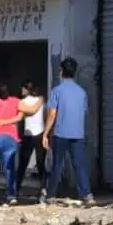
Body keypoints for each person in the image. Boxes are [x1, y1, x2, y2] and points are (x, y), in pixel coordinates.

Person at [44, 56, 93, 204]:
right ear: (75, 72)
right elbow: (84, 113)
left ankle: (51, 195)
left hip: (61, 133)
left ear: (61, 71)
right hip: (78, 134)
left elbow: (52, 113)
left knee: (57, 165)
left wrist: (46, 133)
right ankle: (86, 195)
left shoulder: (57, 91)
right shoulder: (82, 92)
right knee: (80, 165)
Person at [15, 81, 48, 200]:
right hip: (40, 133)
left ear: (26, 90)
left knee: (23, 164)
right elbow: (45, 116)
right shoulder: (41, 101)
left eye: (22, 88)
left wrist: (17, 135)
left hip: (27, 135)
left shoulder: (22, 102)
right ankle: (43, 190)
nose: (21, 90)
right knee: (40, 164)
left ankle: (16, 189)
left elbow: (19, 120)